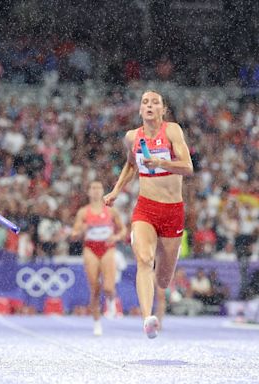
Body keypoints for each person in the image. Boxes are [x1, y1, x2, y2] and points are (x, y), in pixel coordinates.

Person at [104, 90, 193, 339]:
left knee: (163, 280)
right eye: (145, 102)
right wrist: (115, 191)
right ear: (140, 110)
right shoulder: (132, 137)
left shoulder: (172, 131)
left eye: (155, 102)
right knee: (143, 259)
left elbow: (188, 167)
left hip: (173, 211)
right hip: (146, 208)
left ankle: (158, 293)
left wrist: (161, 163)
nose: (150, 105)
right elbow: (131, 165)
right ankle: (147, 319)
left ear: (163, 110)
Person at [71, 180, 127, 336]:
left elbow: (123, 231)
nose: (95, 191)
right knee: (95, 288)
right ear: (88, 192)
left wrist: (115, 238)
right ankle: (96, 322)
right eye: (93, 188)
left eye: (98, 188)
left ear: (103, 191)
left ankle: (111, 300)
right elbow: (74, 235)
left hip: (108, 248)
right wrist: (83, 229)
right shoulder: (83, 212)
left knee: (109, 287)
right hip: (91, 248)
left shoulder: (111, 211)